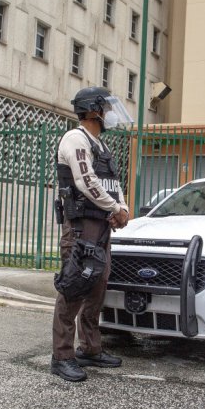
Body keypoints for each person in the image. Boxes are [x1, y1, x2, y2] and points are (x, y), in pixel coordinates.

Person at [50, 87, 132, 382]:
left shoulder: (101, 146)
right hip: (80, 228)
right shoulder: (76, 139)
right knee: (73, 289)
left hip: (101, 227)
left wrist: (121, 208)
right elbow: (86, 181)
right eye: (106, 108)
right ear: (94, 110)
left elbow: (112, 182)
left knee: (98, 287)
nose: (110, 114)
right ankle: (62, 356)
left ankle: (90, 349)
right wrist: (114, 207)